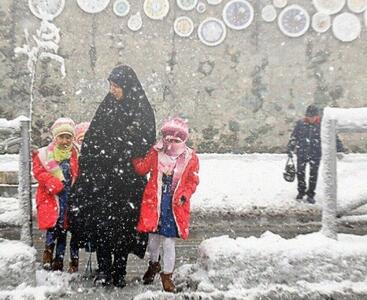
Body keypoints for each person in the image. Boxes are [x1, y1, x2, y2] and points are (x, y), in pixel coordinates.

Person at [69, 65, 156, 288]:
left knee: (123, 229)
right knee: (102, 226)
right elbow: (93, 137)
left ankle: (119, 270)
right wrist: (97, 159)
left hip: (127, 183)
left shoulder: (141, 110)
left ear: (128, 87)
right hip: (103, 180)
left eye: (116, 86)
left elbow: (143, 141)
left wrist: (117, 149)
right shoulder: (107, 106)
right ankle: (104, 268)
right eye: (111, 85)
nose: (113, 90)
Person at [133, 117, 200, 293]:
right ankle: (154, 264)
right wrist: (132, 155)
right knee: (153, 241)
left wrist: (185, 194)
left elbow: (192, 180)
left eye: (176, 140)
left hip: (174, 205)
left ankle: (167, 275)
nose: (171, 144)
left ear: (183, 140)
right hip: (154, 203)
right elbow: (142, 168)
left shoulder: (190, 158)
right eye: (168, 139)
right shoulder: (156, 152)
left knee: (169, 241)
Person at [32, 117, 79, 272]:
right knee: (53, 227)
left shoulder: (75, 154)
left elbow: (78, 173)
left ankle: (59, 260)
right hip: (51, 196)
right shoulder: (44, 154)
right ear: (55, 137)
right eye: (61, 137)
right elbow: (39, 172)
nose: (65, 141)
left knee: (64, 229)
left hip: (68, 198)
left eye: (68, 137)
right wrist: (52, 183)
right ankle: (48, 253)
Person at [287, 105, 345, 204]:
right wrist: (290, 148)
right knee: (300, 173)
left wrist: (339, 147)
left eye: (313, 117)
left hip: (316, 153)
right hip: (302, 152)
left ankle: (310, 194)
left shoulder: (322, 125)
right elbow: (294, 136)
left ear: (317, 116)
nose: (311, 119)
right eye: (309, 116)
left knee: (313, 174)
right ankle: (301, 191)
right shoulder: (300, 124)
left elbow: (333, 136)